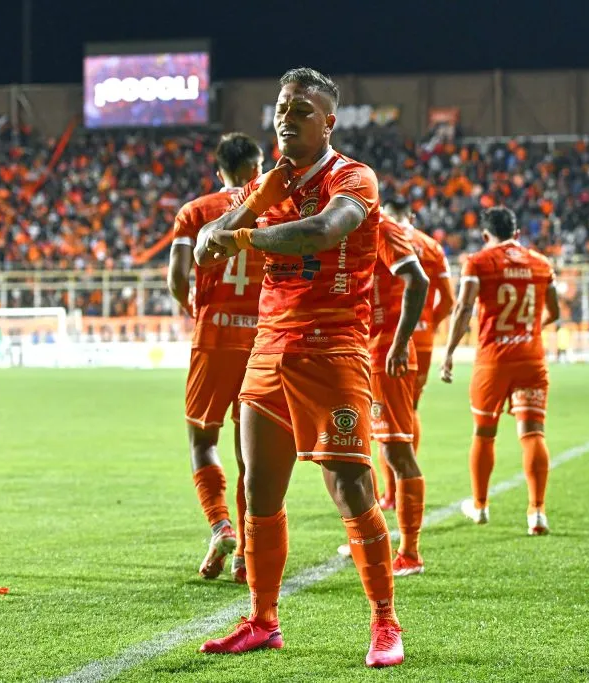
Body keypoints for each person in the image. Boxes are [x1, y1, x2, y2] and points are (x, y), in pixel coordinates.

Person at [194, 67, 405, 667]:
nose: (286, 117)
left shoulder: (352, 177)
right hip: (269, 348)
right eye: (282, 107)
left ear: (329, 122)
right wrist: (226, 222)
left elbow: (322, 230)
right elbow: (219, 228)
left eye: (302, 110)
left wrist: (244, 240)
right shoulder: (269, 182)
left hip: (332, 349)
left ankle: (386, 623)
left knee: (350, 487)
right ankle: (263, 619)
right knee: (259, 489)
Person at [168, 133, 271, 583]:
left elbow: (177, 278)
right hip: (263, 339)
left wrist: (201, 311)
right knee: (251, 450)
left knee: (201, 441)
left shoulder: (195, 211)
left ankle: (220, 525)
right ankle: (247, 554)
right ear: (257, 167)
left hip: (214, 336)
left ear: (219, 171)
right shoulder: (271, 206)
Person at [440, 207, 559, 536]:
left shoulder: (478, 262)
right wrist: (531, 330)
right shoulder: (541, 263)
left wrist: (449, 353)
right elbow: (555, 311)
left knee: (484, 432)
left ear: (485, 235)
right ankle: (537, 513)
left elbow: (464, 308)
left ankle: (479, 506)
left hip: (492, 361)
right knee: (533, 434)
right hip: (531, 359)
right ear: (517, 233)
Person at [371, 198, 452, 510]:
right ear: (412, 215)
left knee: (383, 420)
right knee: (410, 409)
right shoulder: (431, 245)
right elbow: (447, 300)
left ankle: (392, 494)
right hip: (421, 338)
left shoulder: (381, 233)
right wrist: (427, 323)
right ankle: (400, 486)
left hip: (388, 338)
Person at [362, 208, 429, 576]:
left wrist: (401, 343)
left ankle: (411, 551)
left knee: (397, 451)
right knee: (368, 450)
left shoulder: (383, 228)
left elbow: (419, 282)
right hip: (370, 352)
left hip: (388, 354)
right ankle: (370, 540)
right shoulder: (357, 230)